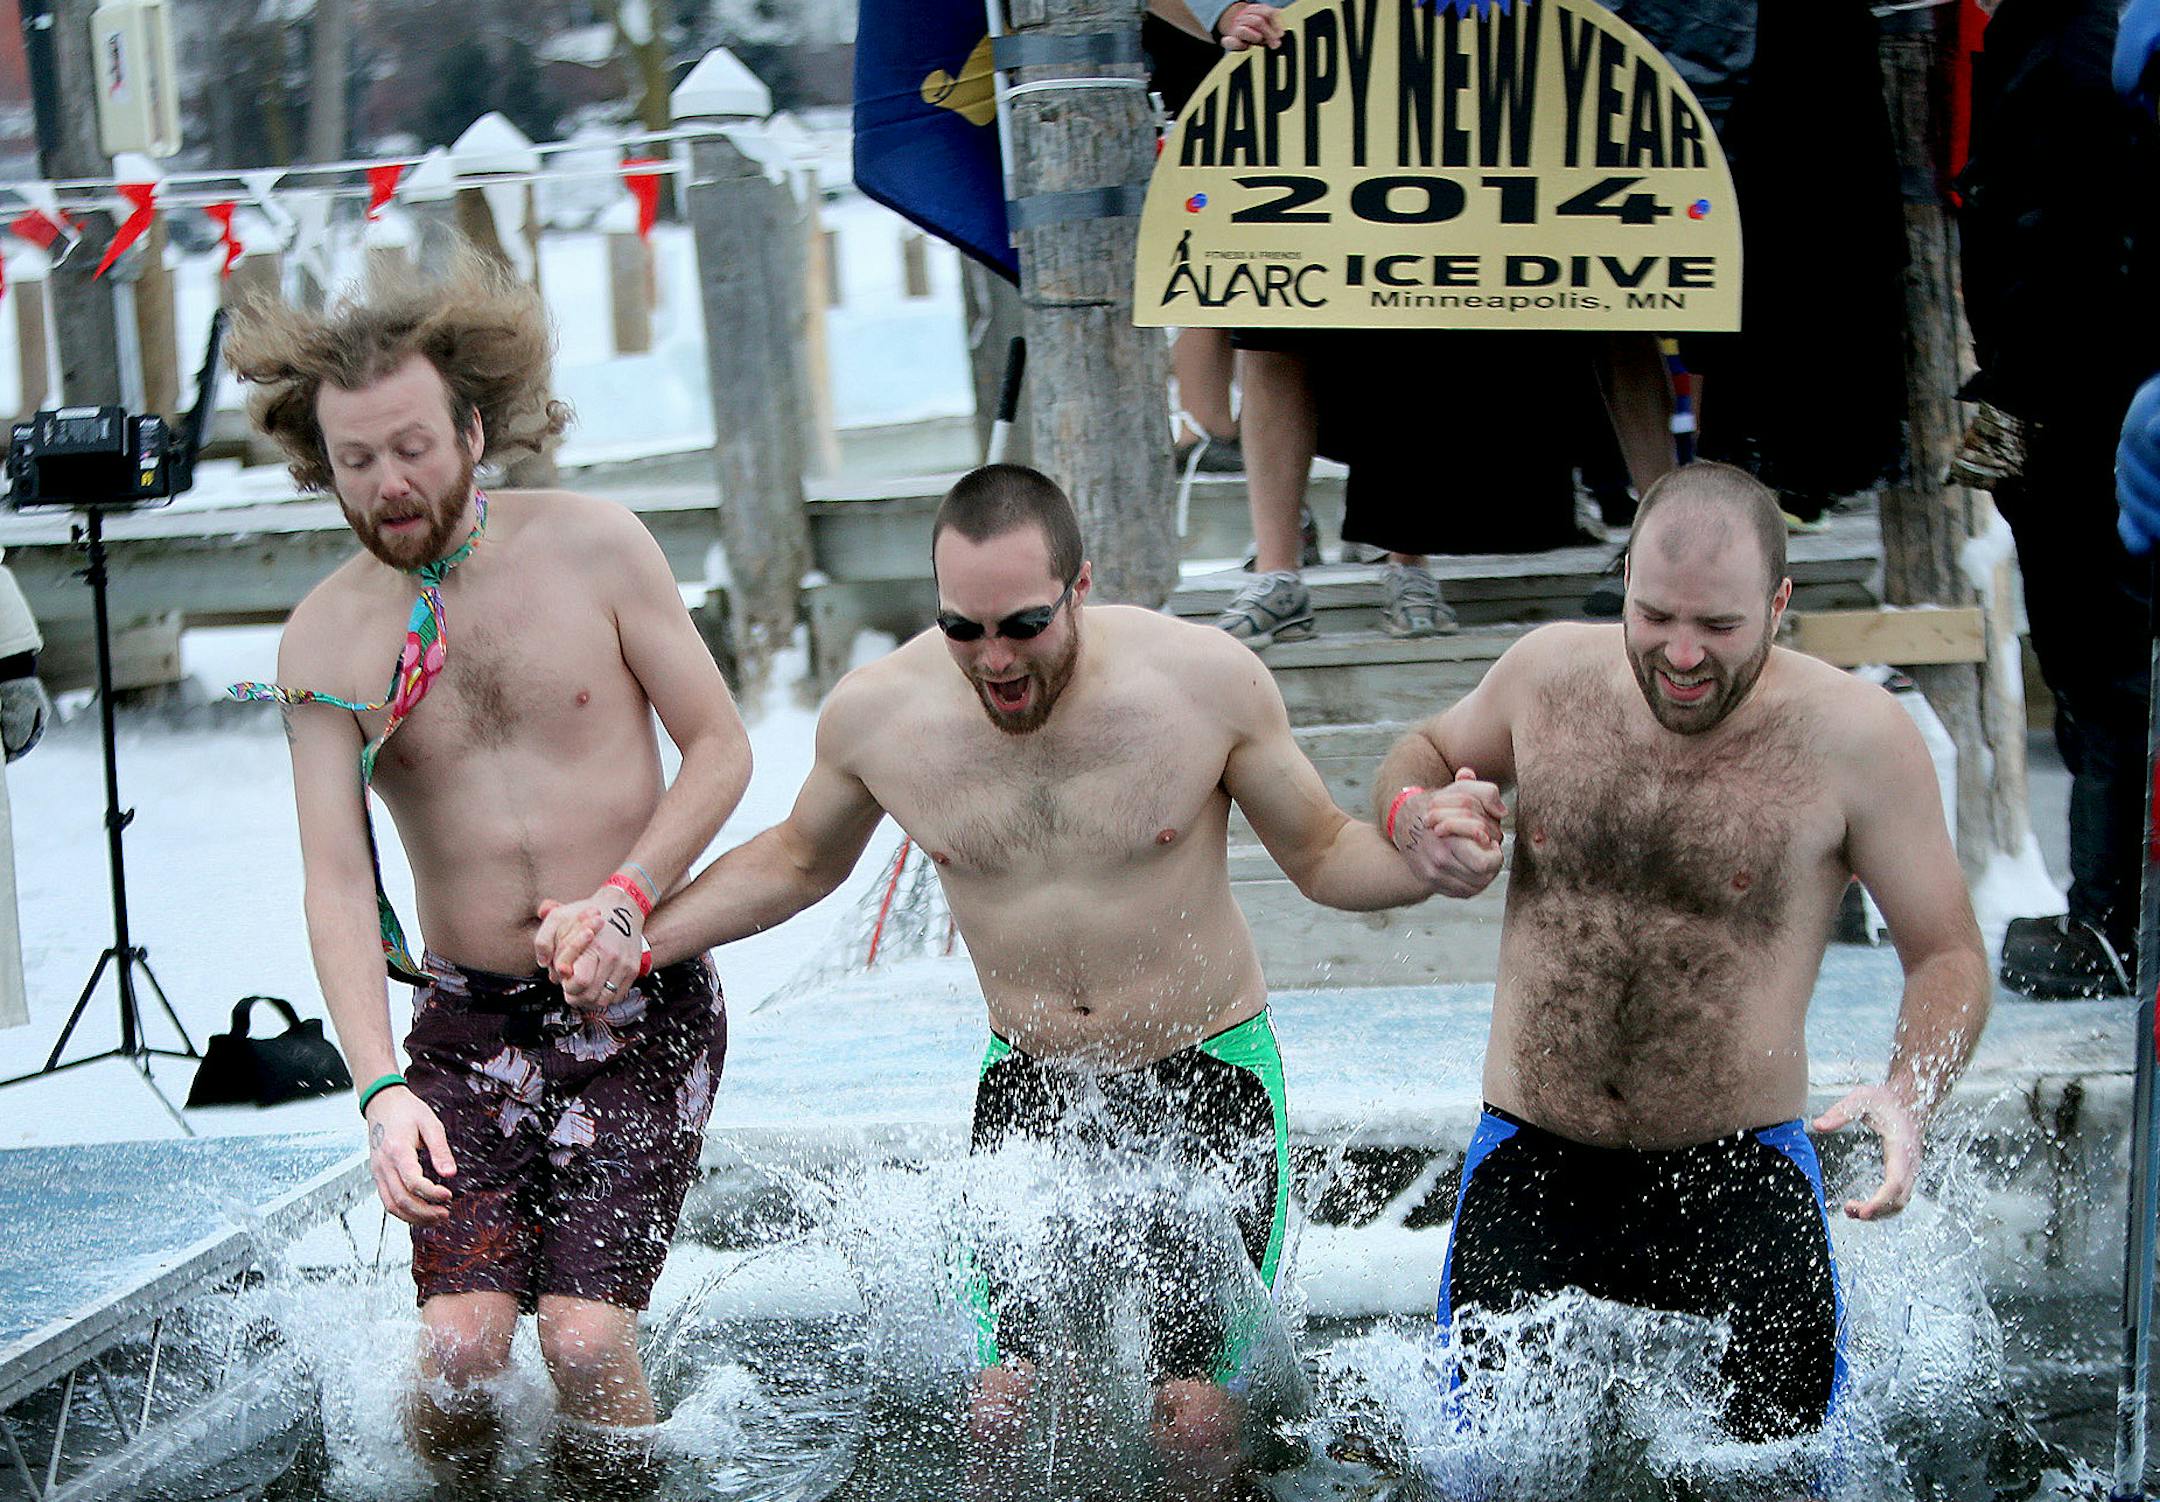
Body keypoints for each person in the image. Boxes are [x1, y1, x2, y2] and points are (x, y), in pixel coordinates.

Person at [546, 463, 1503, 1486]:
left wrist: (1422, 863)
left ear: (1079, 587)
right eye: (964, 628)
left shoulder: (1202, 683)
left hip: (1207, 1076)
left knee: (1190, 1425)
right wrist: (635, 929)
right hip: (1034, 1083)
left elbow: (1319, 850)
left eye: (1023, 624)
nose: (994, 659)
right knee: (1000, 1412)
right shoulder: (883, 715)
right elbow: (795, 859)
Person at [225, 251, 751, 1482]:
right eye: (356, 460)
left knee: (579, 1337)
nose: (388, 482)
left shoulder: (599, 548)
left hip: (641, 998)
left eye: (411, 446)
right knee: (461, 1351)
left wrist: (629, 898)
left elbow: (723, 750)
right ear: (322, 460)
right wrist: (375, 1092)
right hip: (465, 1021)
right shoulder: (326, 637)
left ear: (471, 425)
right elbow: (335, 883)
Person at [1376, 461, 1990, 1441]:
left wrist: (1908, 1087)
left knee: (1786, 1466)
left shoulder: (1858, 737)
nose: (1683, 654)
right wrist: (1416, 814)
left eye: (1720, 625)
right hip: (1535, 1152)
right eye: (1656, 615)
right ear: (1624, 582)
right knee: (1476, 1461)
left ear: (1780, 603)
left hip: (1739, 1167)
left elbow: (1948, 952)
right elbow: (1421, 745)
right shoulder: (1548, 677)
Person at [1958, 0, 2160, 997]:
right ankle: (2112, 910)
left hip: (2093, 395)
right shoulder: (2051, 28)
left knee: (2105, 658)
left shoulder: (2085, 42)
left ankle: (2111, 914)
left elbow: (2060, 234)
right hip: (2067, 392)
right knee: (2091, 656)